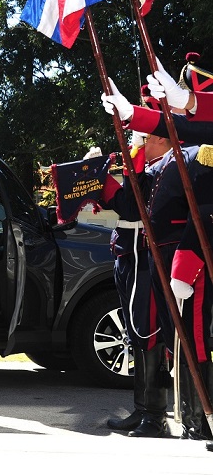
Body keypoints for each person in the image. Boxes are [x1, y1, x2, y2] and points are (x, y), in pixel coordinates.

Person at [102, 74, 213, 440]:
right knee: (169, 336)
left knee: (192, 338)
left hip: (183, 263)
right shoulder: (169, 161)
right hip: (158, 261)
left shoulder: (200, 156)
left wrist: (187, 259)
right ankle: (184, 416)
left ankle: (200, 418)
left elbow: (205, 214)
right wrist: (132, 117)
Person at [98, 91, 173, 438]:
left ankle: (154, 415)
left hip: (148, 260)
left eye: (139, 134)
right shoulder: (147, 166)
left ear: (158, 136)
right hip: (131, 256)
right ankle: (143, 409)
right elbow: (125, 205)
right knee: (136, 334)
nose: (133, 140)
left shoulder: (167, 168)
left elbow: (132, 207)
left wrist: (112, 181)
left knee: (149, 334)